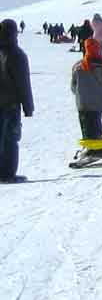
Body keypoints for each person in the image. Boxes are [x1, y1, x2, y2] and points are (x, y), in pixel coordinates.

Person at [0, 19, 36, 183]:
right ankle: (7, 173)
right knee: (10, 139)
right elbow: (23, 83)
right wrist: (28, 106)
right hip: (9, 104)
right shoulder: (16, 54)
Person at [71, 38, 102, 141]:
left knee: (85, 126)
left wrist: (80, 94)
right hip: (98, 102)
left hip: (82, 102)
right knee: (95, 124)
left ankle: (89, 146)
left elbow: (73, 86)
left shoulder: (78, 66)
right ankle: (95, 147)